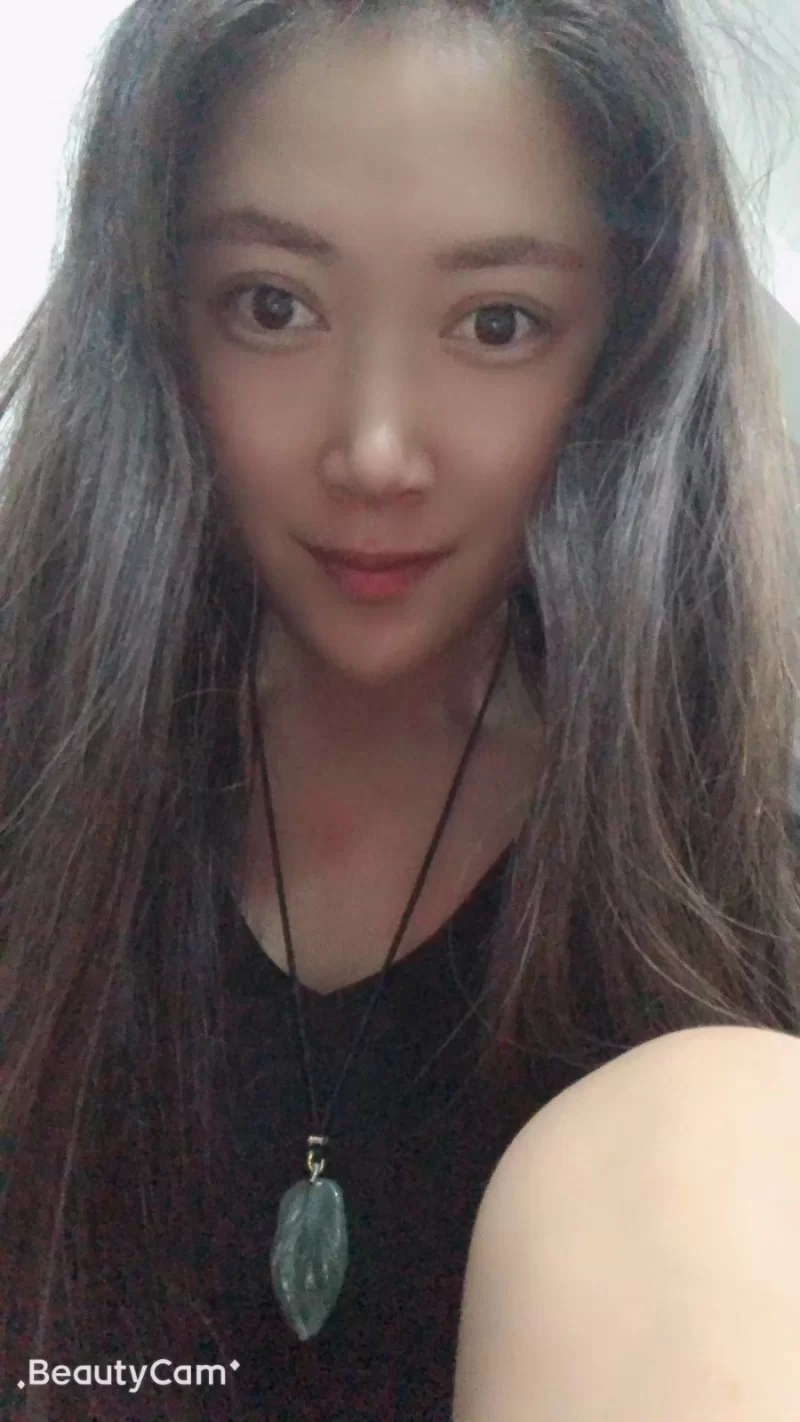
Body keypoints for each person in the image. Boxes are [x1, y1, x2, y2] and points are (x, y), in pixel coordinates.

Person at [2, 0, 800, 1416]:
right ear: (158, 317)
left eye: (498, 323)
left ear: (624, 350)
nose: (375, 450)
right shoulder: (38, 794)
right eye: (272, 306)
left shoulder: (748, 878)